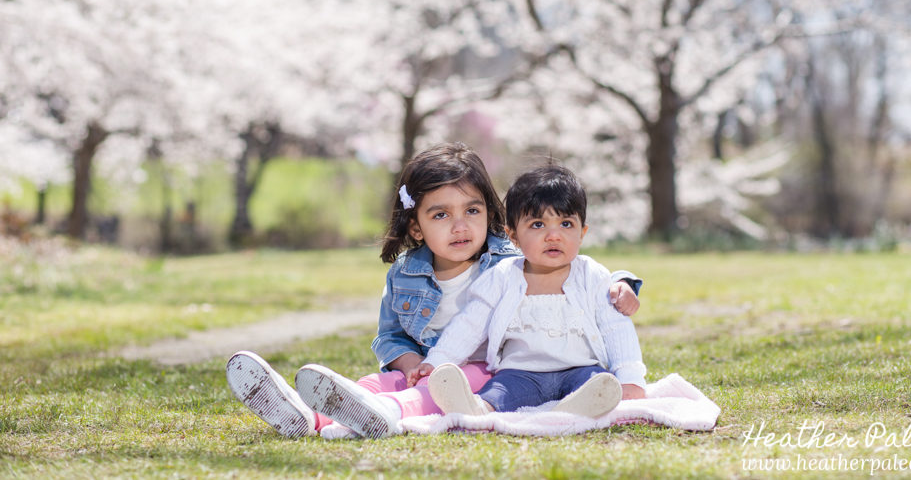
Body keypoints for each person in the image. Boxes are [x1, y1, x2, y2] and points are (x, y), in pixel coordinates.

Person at [226, 143, 642, 438]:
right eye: (441, 214)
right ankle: (308, 415)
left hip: (479, 371)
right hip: (425, 364)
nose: (460, 226)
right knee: (377, 381)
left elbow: (570, 265)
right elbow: (390, 336)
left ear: (492, 216)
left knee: (432, 390)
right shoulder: (405, 274)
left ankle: (386, 414)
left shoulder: (504, 263)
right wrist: (410, 365)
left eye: (472, 211)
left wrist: (624, 282)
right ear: (415, 226)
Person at [410, 164, 646, 419]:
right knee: (498, 392)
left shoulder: (592, 275)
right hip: (520, 373)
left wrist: (630, 377)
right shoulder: (502, 277)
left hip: (580, 369)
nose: (553, 235)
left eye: (566, 223)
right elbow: (469, 324)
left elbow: (616, 328)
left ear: (582, 233)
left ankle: (579, 406)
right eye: (537, 225)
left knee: (599, 384)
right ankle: (476, 408)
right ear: (513, 236)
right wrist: (438, 360)